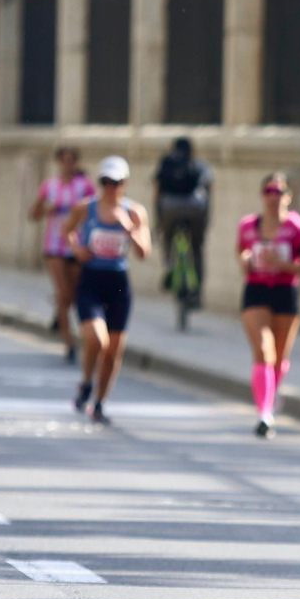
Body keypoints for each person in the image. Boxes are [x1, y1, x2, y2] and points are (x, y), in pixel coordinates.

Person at [64, 156, 151, 424]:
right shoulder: (85, 208)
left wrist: (130, 229)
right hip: (91, 280)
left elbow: (144, 253)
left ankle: (100, 402)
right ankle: (87, 381)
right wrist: (77, 248)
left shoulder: (135, 212)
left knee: (114, 349)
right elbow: (66, 231)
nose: (110, 188)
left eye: (116, 183)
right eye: (105, 182)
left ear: (125, 183)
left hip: (119, 284)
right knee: (96, 340)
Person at [238, 172, 300, 438]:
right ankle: (264, 414)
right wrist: (248, 260)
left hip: (285, 292)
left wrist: (283, 264)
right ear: (262, 196)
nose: (274, 199)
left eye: (279, 193)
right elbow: (241, 256)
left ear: (288, 197)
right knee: (264, 351)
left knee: (279, 359)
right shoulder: (248, 226)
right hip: (256, 291)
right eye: (269, 193)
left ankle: (270, 396)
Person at [30, 147, 95, 361]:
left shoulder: (84, 186)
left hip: (76, 244)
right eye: (64, 161)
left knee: (73, 294)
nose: (68, 165)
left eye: (72, 161)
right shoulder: (50, 186)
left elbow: (96, 209)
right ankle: (69, 343)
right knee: (63, 292)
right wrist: (48, 209)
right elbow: (34, 214)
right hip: (55, 246)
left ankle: (59, 314)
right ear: (59, 162)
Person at [153, 136, 213, 302]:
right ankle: (197, 291)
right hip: (195, 210)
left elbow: (157, 193)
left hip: (169, 209)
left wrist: (158, 221)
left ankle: (169, 266)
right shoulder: (200, 165)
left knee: (167, 238)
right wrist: (206, 220)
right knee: (197, 247)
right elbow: (208, 193)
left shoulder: (166, 163)